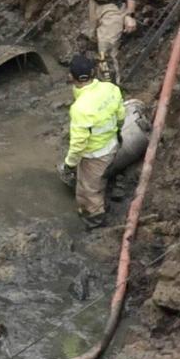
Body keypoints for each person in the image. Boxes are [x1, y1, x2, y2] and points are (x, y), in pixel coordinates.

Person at [60, 54, 125, 229]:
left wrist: (70, 164)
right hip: (112, 143)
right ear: (93, 72)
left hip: (95, 154)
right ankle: (108, 188)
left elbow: (79, 143)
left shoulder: (80, 109)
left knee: (88, 189)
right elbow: (120, 116)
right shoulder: (111, 89)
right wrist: (118, 132)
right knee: (102, 176)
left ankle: (95, 218)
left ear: (71, 77)